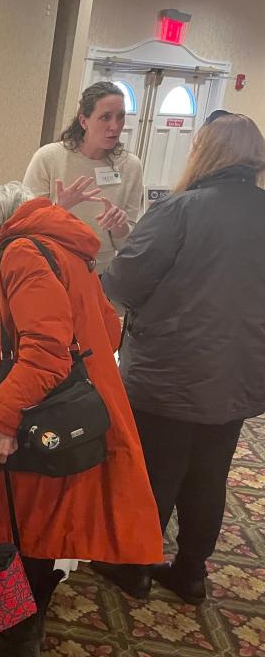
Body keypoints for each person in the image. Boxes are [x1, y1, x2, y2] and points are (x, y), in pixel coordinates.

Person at [0, 181, 163, 657]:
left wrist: (3, 418)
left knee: (20, 519)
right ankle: (26, 622)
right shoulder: (65, 247)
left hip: (34, 413)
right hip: (68, 411)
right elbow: (109, 328)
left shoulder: (22, 253)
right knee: (43, 521)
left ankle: (14, 631)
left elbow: (46, 355)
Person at [99, 113, 265, 604]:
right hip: (240, 371)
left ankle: (136, 569)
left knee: (156, 472)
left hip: (170, 369)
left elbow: (124, 283)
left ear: (205, 152)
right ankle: (192, 571)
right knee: (211, 474)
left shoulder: (180, 210)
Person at [24, 81, 143, 273]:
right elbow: (25, 227)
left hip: (100, 274)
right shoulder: (49, 157)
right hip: (53, 270)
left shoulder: (131, 166)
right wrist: (58, 209)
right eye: (105, 117)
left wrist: (119, 226)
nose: (115, 126)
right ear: (83, 121)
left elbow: (126, 245)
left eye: (120, 117)